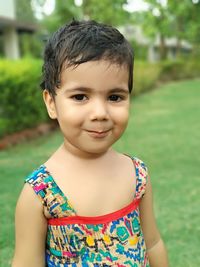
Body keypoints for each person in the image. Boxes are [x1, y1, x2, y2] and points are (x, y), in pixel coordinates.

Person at [12, 19, 168, 267]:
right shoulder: (40, 194)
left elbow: (153, 243)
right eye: (80, 96)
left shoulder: (138, 176)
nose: (100, 112)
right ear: (51, 103)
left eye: (114, 97)